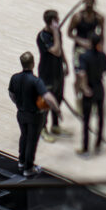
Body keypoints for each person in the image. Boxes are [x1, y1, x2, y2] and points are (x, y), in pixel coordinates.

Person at [8, 51, 61, 177]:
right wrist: (57, 109)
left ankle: (21, 162)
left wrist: (18, 104)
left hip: (21, 113)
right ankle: (28, 168)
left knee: (24, 136)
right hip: (34, 116)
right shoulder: (36, 81)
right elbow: (47, 97)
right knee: (32, 141)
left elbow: (11, 94)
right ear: (33, 63)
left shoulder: (14, 78)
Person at [36, 10, 70, 142]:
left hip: (58, 71)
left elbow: (61, 49)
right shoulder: (42, 36)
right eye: (57, 19)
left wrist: (65, 63)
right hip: (47, 73)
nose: (59, 21)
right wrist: (56, 32)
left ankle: (55, 126)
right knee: (46, 101)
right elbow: (56, 51)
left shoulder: (57, 33)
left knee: (58, 97)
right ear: (51, 22)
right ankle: (42, 128)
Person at [68, 0, 105, 110]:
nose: (89, 5)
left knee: (92, 76)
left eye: (91, 2)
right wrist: (81, 41)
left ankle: (90, 100)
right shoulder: (77, 17)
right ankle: (78, 99)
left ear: (94, 3)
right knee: (79, 75)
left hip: (92, 50)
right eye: (87, 2)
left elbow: (102, 36)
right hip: (79, 50)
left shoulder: (99, 18)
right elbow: (69, 33)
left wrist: (101, 50)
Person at [76, 33, 106, 157]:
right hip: (100, 87)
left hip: (89, 88)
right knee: (100, 117)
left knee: (86, 120)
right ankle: (98, 144)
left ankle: (85, 148)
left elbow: (82, 73)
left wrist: (84, 87)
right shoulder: (103, 55)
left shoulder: (84, 56)